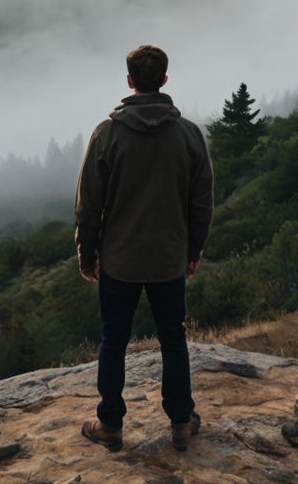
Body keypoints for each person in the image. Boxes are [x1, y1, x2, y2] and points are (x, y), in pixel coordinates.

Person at [74, 44, 214, 453]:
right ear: (164, 80)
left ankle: (111, 425)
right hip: (169, 257)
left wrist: (87, 254)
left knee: (113, 340)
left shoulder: (107, 133)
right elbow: (201, 201)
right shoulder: (188, 134)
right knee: (173, 338)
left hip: (119, 260)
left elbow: (88, 206)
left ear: (130, 81)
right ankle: (181, 423)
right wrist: (194, 249)